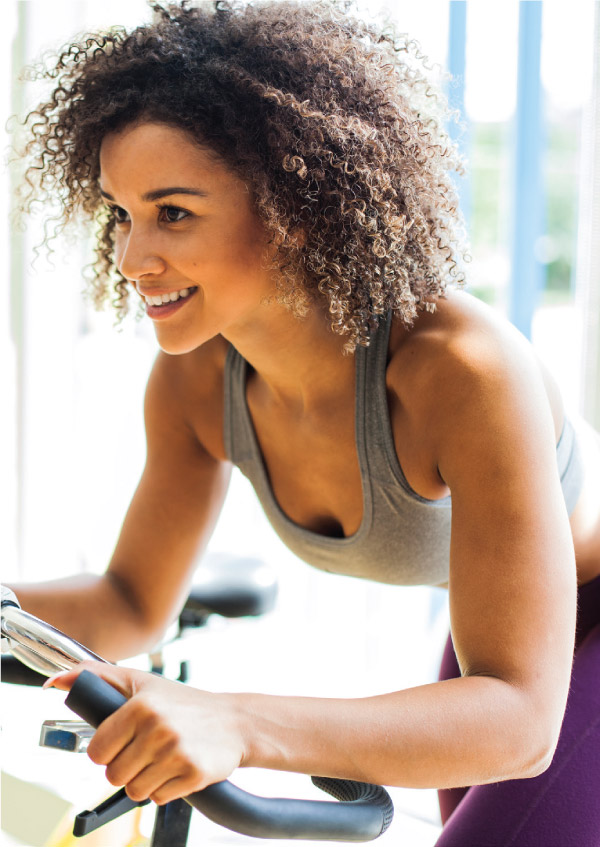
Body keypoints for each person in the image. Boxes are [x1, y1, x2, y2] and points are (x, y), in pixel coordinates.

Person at [7, 2, 600, 844]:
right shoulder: (194, 378)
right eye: (121, 213)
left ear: (297, 205)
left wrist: (237, 723)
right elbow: (131, 601)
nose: (133, 258)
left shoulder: (459, 371)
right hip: (506, 642)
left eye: (172, 212)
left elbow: (518, 719)